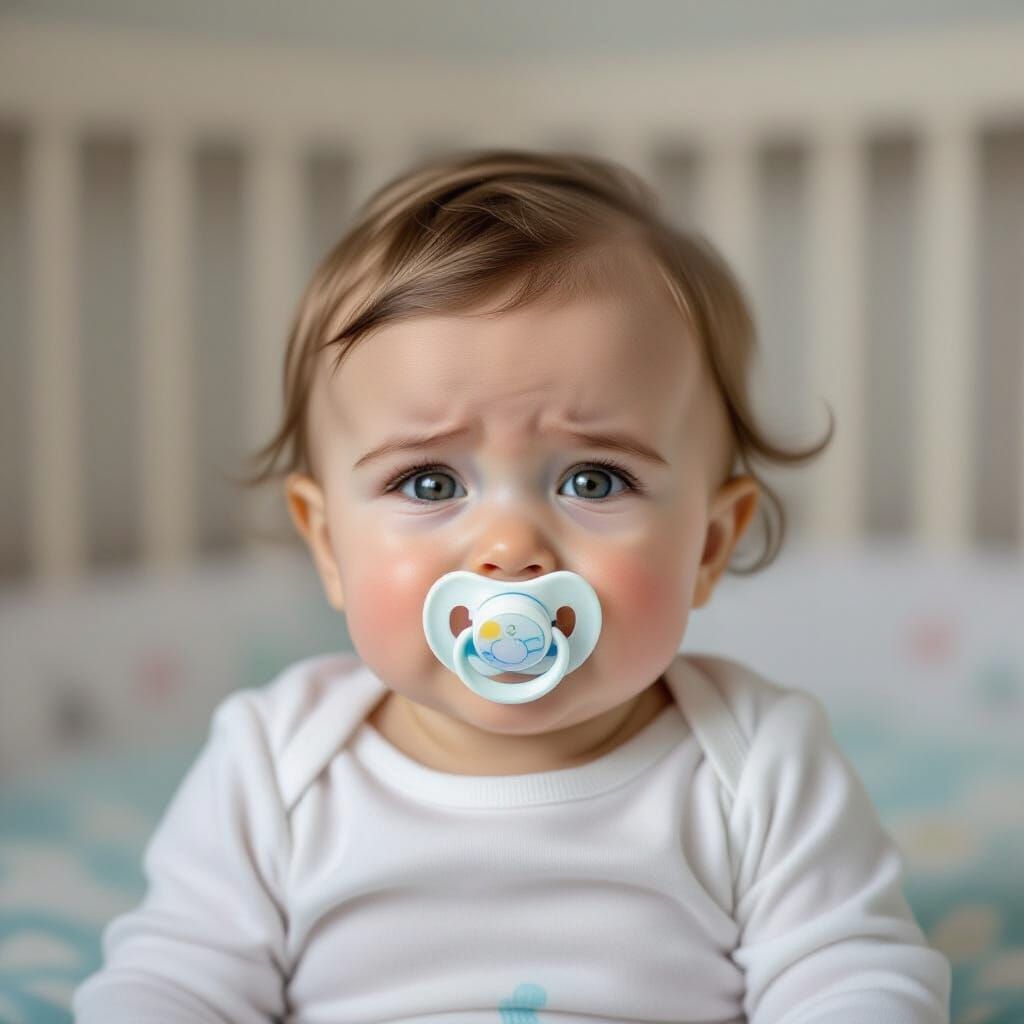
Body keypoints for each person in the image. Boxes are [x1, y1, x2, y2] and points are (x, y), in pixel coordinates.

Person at [73, 149, 951, 1022]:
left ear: (709, 546)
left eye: (595, 480)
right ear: (329, 544)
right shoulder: (274, 767)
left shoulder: (756, 763)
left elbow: (850, 976)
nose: (509, 548)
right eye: (428, 484)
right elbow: (172, 984)